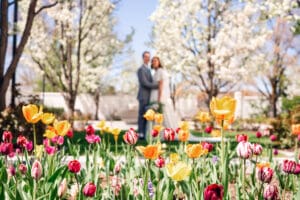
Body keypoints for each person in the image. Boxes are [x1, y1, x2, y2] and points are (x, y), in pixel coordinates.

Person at [150, 56, 180, 129]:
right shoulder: (155, 73)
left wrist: (159, 100)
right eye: (152, 61)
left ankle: (166, 131)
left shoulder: (160, 71)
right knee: (159, 115)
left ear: (159, 62)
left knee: (162, 114)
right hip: (156, 95)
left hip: (159, 97)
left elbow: (161, 86)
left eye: (155, 61)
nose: (154, 62)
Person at [137, 51, 158, 139]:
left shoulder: (149, 70)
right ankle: (141, 133)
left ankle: (145, 133)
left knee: (147, 115)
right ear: (143, 58)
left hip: (149, 96)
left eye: (149, 57)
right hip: (143, 96)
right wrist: (157, 85)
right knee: (142, 115)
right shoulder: (141, 69)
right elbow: (144, 83)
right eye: (146, 57)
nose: (148, 58)